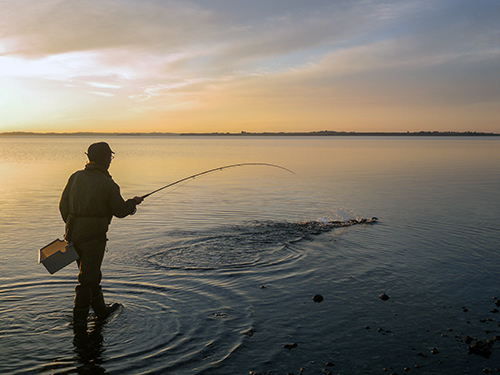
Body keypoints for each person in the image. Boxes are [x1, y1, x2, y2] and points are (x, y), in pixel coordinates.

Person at [60, 142, 143, 330]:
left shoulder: (75, 177)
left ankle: (101, 312)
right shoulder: (108, 184)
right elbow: (120, 211)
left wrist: (72, 225)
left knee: (91, 274)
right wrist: (133, 202)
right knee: (86, 280)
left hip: (72, 235)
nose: (111, 161)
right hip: (94, 239)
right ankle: (79, 322)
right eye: (110, 157)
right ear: (106, 159)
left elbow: (63, 206)